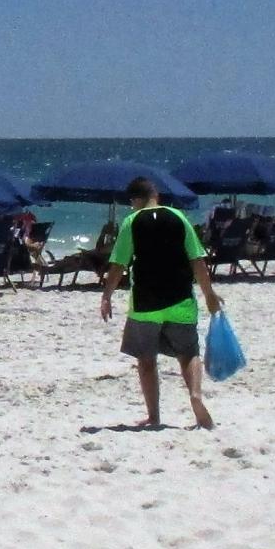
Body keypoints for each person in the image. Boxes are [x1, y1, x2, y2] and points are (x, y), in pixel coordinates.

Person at [98, 176, 220, 430]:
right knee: (188, 353)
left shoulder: (132, 222)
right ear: (157, 197)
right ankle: (196, 396)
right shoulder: (179, 217)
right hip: (181, 299)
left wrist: (107, 296)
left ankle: (154, 416)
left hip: (145, 303)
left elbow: (119, 264)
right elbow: (197, 260)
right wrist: (209, 294)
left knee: (146, 359)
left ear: (136, 200)